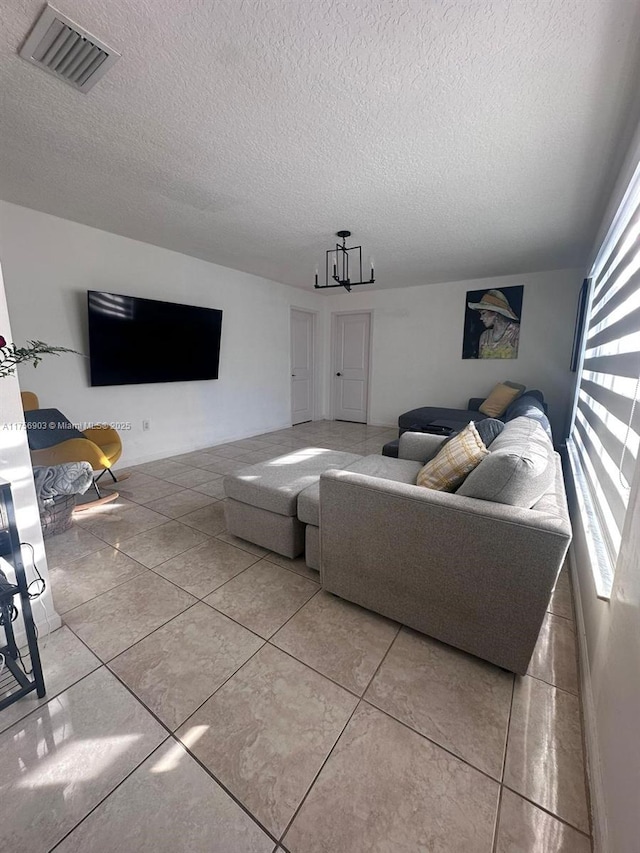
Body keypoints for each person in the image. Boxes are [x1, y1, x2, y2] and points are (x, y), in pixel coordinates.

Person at [468, 289, 520, 359]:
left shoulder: (516, 332)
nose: (481, 318)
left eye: (483, 313)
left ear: (495, 313)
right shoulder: (485, 336)